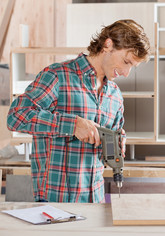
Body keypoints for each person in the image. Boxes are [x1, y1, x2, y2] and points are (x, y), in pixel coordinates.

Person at [7, 19, 150, 203]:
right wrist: (73, 125)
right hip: (55, 203)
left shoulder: (114, 95)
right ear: (108, 45)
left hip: (95, 200)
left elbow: (112, 141)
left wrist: (117, 142)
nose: (126, 72)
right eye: (126, 62)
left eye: (132, 67)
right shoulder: (57, 75)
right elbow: (16, 116)